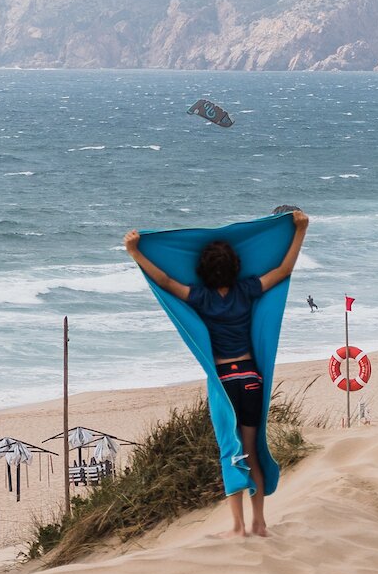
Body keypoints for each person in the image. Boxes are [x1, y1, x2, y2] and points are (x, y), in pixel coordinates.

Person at [123, 206, 310, 538]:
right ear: (236, 268)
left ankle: (237, 526)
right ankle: (260, 523)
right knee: (252, 448)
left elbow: (165, 280)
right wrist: (299, 231)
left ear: (203, 272)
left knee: (230, 449)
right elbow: (283, 270)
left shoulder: (202, 298)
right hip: (251, 379)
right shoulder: (247, 290)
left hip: (224, 382)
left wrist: (135, 252)